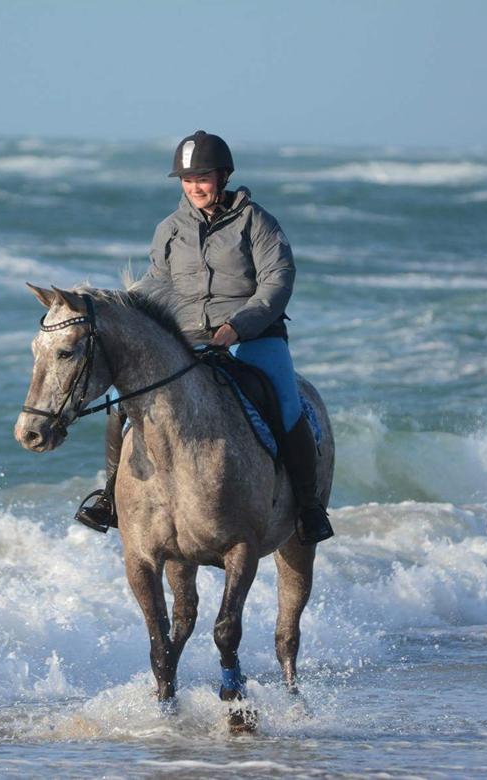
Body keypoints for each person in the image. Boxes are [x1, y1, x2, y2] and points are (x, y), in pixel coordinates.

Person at [75, 130, 334, 546]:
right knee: (117, 404)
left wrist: (239, 326)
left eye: (204, 178)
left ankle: (308, 507)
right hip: (187, 338)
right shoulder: (170, 229)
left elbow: (277, 281)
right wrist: (117, 307)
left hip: (253, 335)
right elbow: (156, 282)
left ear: (224, 176)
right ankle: (109, 498)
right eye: (187, 179)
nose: (195, 187)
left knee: (286, 404)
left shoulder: (258, 222)